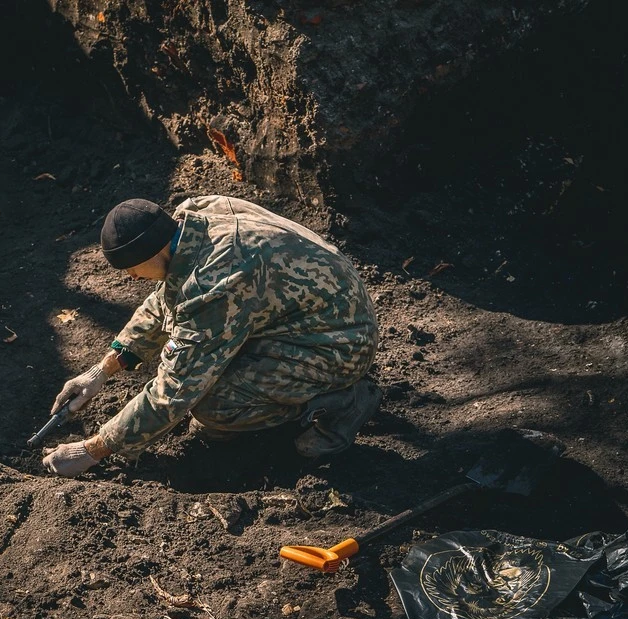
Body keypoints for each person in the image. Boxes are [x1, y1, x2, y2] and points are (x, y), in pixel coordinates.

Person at [42, 195, 380, 478]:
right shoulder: (194, 218)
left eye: (131, 268)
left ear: (152, 253)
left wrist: (93, 449)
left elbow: (174, 392)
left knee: (216, 407)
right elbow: (166, 299)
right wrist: (100, 372)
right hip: (308, 316)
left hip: (337, 344)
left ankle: (339, 404)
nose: (130, 277)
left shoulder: (215, 285)